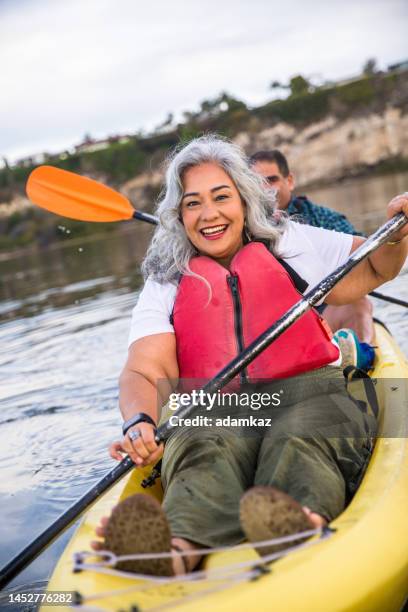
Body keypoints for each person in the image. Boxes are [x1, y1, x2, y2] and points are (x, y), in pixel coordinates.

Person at [92, 136, 408, 576]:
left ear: (243, 198)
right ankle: (175, 551)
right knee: (204, 446)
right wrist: (139, 422)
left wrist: (398, 233)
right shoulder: (167, 278)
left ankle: (299, 523)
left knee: (299, 436)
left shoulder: (291, 242)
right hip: (218, 409)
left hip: (308, 393)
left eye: (221, 197)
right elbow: (144, 371)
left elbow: (375, 268)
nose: (209, 215)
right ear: (179, 215)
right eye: (193, 204)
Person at [249, 149, 375, 368]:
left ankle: (361, 362)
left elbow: (368, 259)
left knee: (358, 301)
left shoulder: (321, 218)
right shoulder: (241, 228)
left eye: (271, 180)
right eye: (256, 183)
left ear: (289, 181)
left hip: (326, 312)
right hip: (277, 327)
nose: (265, 190)